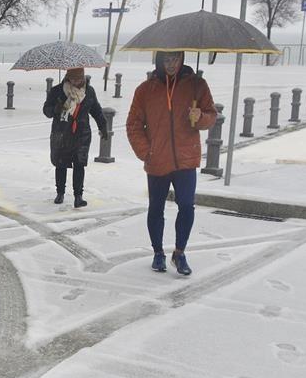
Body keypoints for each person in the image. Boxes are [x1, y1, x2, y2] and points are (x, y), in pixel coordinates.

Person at [126, 50, 217, 276]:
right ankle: (158, 253)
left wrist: (200, 117)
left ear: (182, 58)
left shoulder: (197, 86)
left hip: (186, 159)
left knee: (186, 206)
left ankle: (180, 252)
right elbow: (133, 125)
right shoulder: (145, 90)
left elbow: (211, 115)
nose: (171, 64)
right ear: (159, 60)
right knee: (156, 208)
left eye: (175, 59)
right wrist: (147, 153)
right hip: (157, 160)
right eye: (166, 59)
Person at [43, 67, 107, 208]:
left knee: (79, 164)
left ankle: (78, 196)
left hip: (81, 134)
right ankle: (60, 193)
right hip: (62, 133)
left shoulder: (89, 92)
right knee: (61, 164)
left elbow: (96, 110)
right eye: (75, 78)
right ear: (68, 77)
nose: (78, 81)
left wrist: (103, 126)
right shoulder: (57, 91)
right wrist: (55, 109)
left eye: (81, 78)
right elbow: (46, 110)